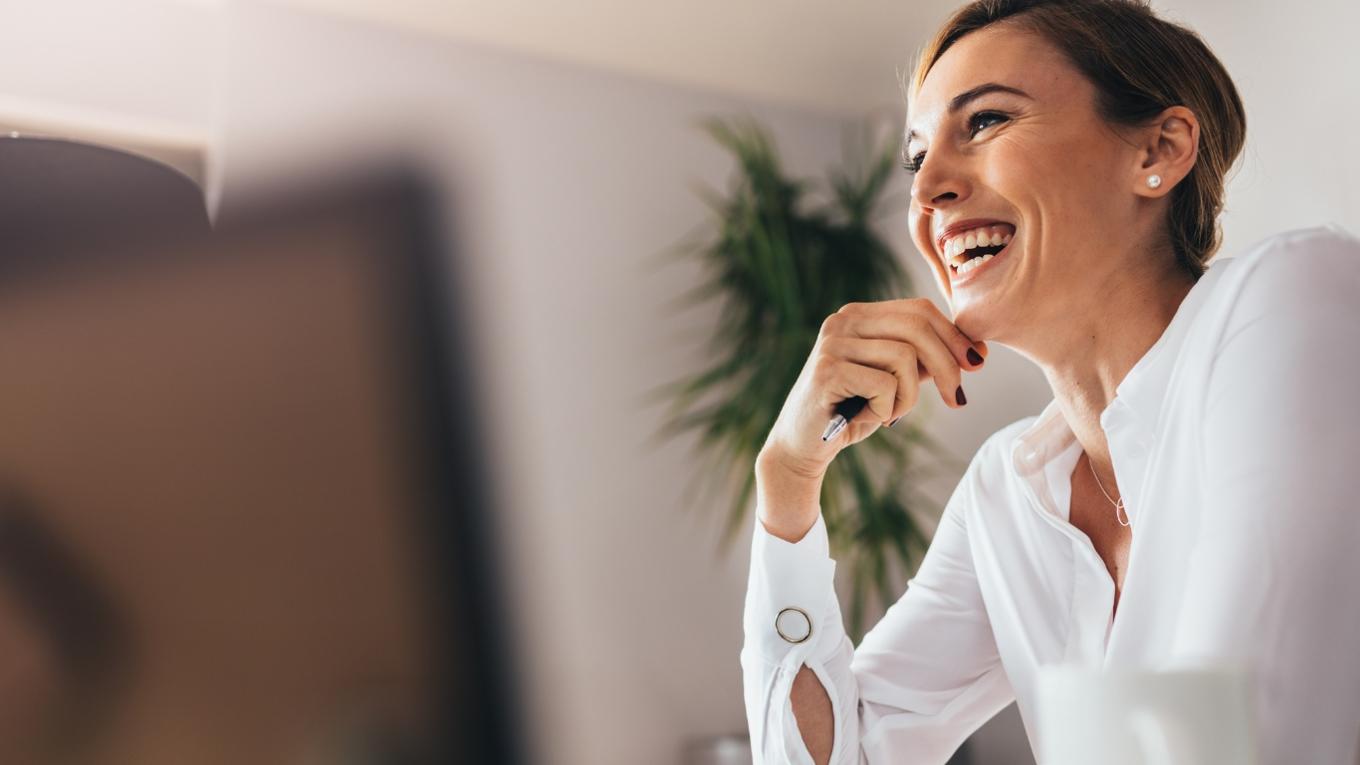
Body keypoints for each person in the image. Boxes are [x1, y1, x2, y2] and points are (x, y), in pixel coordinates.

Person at [740, 1, 1360, 763]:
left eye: (986, 121)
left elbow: (1251, 739)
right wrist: (787, 478)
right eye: (915, 157)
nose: (928, 188)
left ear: (1158, 151)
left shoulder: (1295, 296)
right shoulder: (1007, 493)